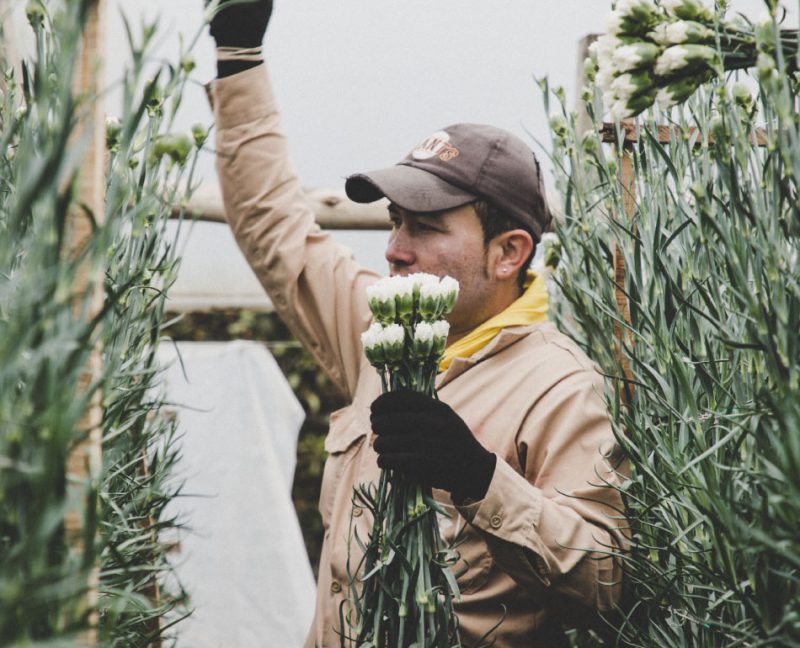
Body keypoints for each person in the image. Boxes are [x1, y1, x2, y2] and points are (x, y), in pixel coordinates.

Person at [205, 2, 627, 646]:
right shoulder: (385, 331)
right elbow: (275, 229)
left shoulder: (559, 386)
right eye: (394, 221)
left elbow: (604, 576)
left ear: (509, 252)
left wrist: (479, 478)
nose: (396, 249)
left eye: (425, 227)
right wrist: (240, 57)